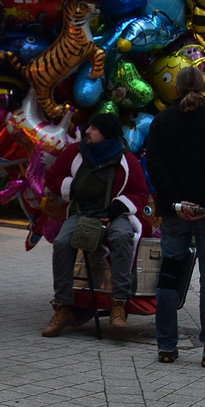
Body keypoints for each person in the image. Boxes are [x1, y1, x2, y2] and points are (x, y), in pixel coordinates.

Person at [144, 66, 205, 368]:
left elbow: (156, 167)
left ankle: (167, 347)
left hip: (173, 214)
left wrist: (176, 203)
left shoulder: (161, 122)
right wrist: (203, 205)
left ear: (176, 90)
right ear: (203, 87)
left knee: (170, 277)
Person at [41, 110, 150, 337]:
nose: (87, 131)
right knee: (62, 243)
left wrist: (117, 208)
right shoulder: (74, 153)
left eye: (94, 128)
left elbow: (139, 192)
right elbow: (51, 177)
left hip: (115, 215)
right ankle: (63, 308)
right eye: (89, 127)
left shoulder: (126, 160)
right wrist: (72, 187)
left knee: (122, 237)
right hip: (80, 213)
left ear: (107, 133)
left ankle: (119, 304)